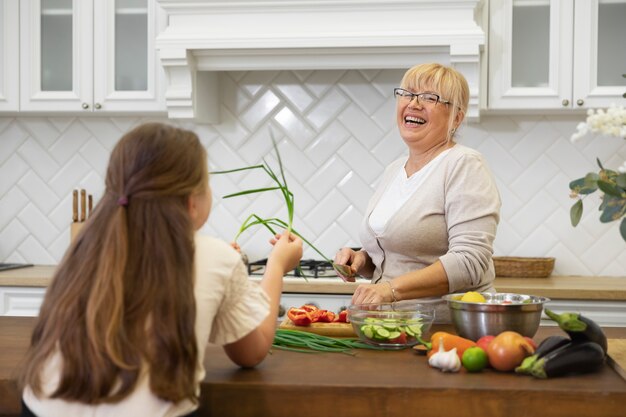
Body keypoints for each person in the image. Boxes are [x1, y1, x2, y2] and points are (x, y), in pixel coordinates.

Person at [19, 122, 303, 417]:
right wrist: (277, 265)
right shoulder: (215, 256)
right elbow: (251, 352)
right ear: (192, 202)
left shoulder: (83, 250)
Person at [334, 63, 501, 318]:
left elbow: (470, 261)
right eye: (407, 94)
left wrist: (391, 290)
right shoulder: (394, 170)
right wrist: (362, 260)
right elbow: (400, 255)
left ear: (456, 117)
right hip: (389, 326)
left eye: (430, 97)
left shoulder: (463, 164)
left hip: (444, 329)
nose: (414, 103)